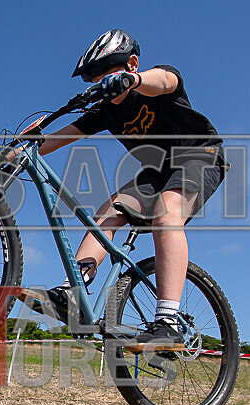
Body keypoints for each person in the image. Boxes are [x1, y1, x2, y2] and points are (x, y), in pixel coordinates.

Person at [19, 28, 226, 347]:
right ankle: (72, 293)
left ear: (131, 64)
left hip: (200, 155)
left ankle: (169, 322)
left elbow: (164, 79)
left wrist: (135, 81)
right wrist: (20, 149)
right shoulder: (107, 111)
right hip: (157, 172)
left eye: (106, 72)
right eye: (94, 78)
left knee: (167, 214)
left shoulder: (158, 82)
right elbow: (58, 139)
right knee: (107, 213)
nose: (100, 81)